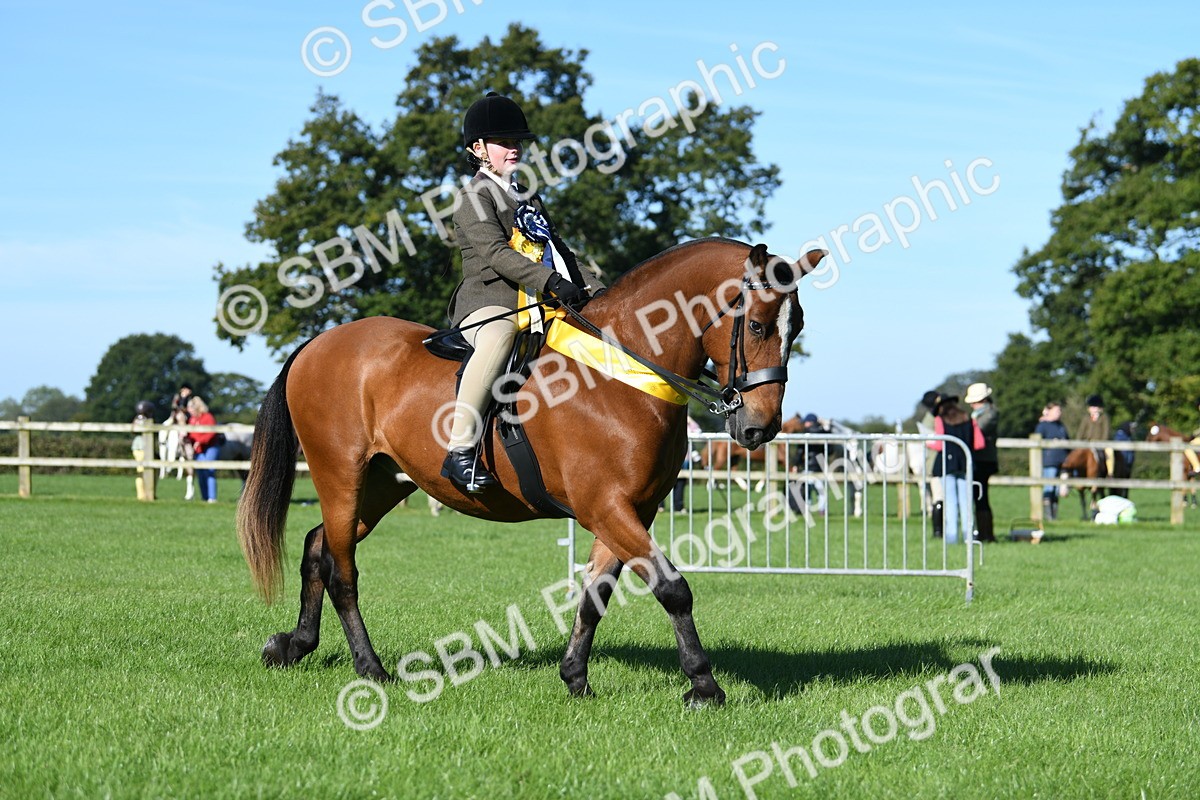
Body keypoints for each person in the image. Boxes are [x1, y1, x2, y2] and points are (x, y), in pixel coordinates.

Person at [442, 92, 601, 492]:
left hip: (540, 304)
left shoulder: (528, 198)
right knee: (499, 338)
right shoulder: (473, 198)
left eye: (518, 142)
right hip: (490, 303)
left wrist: (598, 291)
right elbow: (495, 254)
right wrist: (549, 282)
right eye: (504, 142)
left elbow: (560, 251)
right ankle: (460, 451)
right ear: (478, 149)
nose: (514, 149)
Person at [927, 394, 984, 544]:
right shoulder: (969, 419)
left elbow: (939, 444)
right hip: (966, 463)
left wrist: (928, 442)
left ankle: (951, 538)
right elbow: (979, 444)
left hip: (947, 464)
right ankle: (968, 537)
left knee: (950, 503)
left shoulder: (940, 420)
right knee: (966, 504)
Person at [964, 382, 999, 542]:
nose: (972, 405)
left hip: (984, 460)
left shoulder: (990, 414)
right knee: (979, 497)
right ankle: (982, 532)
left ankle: (986, 533)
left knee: (981, 497)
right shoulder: (980, 414)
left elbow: (978, 429)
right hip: (978, 459)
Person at [1034, 402, 1069, 520]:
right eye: (1057, 410)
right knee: (1049, 488)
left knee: (1057, 490)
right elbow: (1037, 441)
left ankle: (1054, 516)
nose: (1059, 413)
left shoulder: (1061, 426)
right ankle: (1049, 516)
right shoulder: (1043, 425)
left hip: (1062, 462)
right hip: (1050, 461)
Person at [789, 413, 829, 514]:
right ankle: (822, 510)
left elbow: (799, 452)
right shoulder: (824, 433)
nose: (804, 424)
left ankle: (807, 509)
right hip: (820, 466)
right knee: (821, 491)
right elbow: (831, 449)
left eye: (806, 422)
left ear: (810, 422)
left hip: (807, 466)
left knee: (807, 491)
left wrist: (795, 464)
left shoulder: (804, 434)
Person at [918, 390, 945, 536]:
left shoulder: (930, 418)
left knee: (939, 496)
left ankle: (939, 531)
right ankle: (938, 531)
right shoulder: (932, 419)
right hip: (936, 462)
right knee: (939, 497)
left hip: (935, 461)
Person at [185, 395, 221, 503]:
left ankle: (212, 498)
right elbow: (191, 434)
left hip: (210, 447)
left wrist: (200, 441)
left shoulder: (208, 417)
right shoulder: (192, 420)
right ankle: (204, 497)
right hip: (198, 449)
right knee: (201, 472)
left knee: (209, 471)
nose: (189, 411)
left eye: (190, 408)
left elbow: (211, 433)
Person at [1076, 394, 1111, 478]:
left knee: (1110, 454)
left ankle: (1110, 473)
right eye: (1092, 407)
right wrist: (1079, 442)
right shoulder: (1086, 418)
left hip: (1100, 443)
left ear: (1100, 408)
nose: (1094, 409)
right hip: (1087, 443)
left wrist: (1102, 443)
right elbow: (1081, 432)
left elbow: (1106, 432)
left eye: (1096, 407)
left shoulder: (1104, 418)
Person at [131, 400, 156, 500]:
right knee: (141, 471)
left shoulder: (138, 418)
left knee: (146, 471)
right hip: (141, 447)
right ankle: (141, 495)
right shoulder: (142, 419)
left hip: (142, 447)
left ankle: (147, 493)